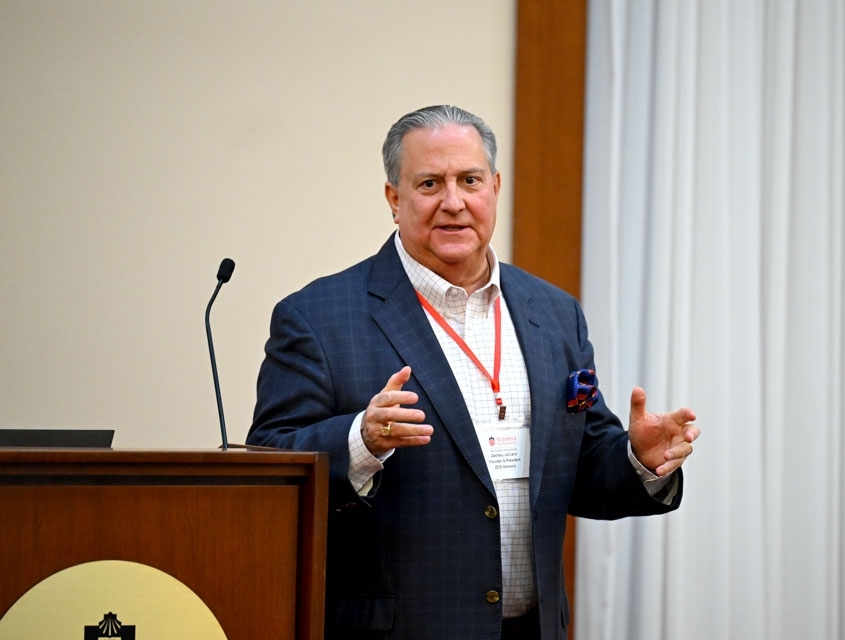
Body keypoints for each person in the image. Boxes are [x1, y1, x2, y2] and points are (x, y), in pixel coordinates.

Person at [247, 105, 699, 639]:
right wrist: (360, 440)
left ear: (495, 187)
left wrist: (637, 460)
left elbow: (577, 470)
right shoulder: (319, 317)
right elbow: (270, 463)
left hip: (532, 628)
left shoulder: (553, 312)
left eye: (469, 180)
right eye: (430, 183)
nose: (453, 202)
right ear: (395, 199)